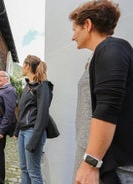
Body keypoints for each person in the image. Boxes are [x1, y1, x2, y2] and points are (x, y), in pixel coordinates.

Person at [69, 1, 133, 183]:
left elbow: (108, 106)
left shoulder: (112, 49)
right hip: (93, 154)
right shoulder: (99, 55)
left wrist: (91, 163)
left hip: (110, 165)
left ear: (87, 25)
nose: (73, 37)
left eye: (75, 30)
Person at [14, 55, 53, 184]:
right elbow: (22, 111)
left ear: (27, 66)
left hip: (33, 132)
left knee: (33, 172)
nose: (22, 68)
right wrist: (16, 131)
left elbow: (42, 116)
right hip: (23, 132)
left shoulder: (43, 87)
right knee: (24, 169)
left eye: (23, 65)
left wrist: (34, 140)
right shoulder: (27, 87)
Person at [73, 61, 92, 176]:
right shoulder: (94, 57)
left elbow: (107, 109)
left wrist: (92, 160)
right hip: (83, 141)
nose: (72, 41)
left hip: (90, 148)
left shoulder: (110, 50)